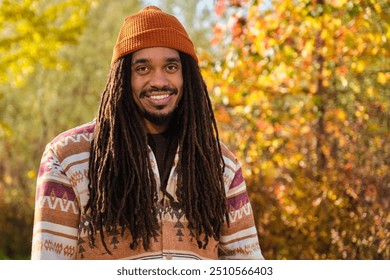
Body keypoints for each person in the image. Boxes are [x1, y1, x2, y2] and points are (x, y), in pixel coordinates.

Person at [31, 6, 264, 260]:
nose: (159, 81)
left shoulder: (220, 165)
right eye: (142, 69)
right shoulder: (67, 158)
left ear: (188, 76)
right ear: (122, 79)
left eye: (171, 67)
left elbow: (247, 265)